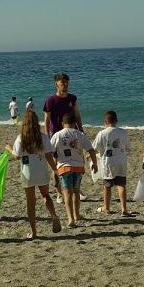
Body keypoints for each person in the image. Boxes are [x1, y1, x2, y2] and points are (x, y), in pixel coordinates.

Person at [5, 110, 62, 239]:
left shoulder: (21, 138)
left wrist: (8, 148)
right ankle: (53, 215)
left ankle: (34, 232)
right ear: (36, 123)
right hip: (41, 171)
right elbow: (48, 155)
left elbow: (16, 156)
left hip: (27, 173)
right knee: (46, 195)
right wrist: (55, 170)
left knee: (31, 202)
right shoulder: (43, 137)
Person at [43, 73, 88, 203]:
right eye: (62, 82)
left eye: (67, 82)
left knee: (75, 161)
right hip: (56, 136)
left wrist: (81, 130)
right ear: (56, 84)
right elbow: (46, 121)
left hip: (72, 135)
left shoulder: (72, 98)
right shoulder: (50, 100)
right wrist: (47, 138)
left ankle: (76, 190)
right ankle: (59, 192)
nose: (65, 84)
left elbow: (77, 115)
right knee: (56, 164)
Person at [50, 113, 98, 227]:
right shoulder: (80, 134)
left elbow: (50, 150)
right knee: (76, 191)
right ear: (75, 124)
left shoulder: (57, 135)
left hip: (64, 167)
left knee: (67, 193)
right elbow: (91, 149)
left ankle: (71, 218)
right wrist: (94, 163)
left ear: (63, 123)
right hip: (78, 167)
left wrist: (53, 166)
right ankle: (77, 214)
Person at [93, 110, 130, 216]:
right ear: (116, 120)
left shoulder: (102, 133)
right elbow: (128, 148)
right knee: (121, 185)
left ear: (105, 121)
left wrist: (90, 156)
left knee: (107, 186)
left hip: (108, 163)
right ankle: (124, 209)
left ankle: (107, 208)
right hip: (121, 162)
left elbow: (95, 147)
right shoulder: (123, 132)